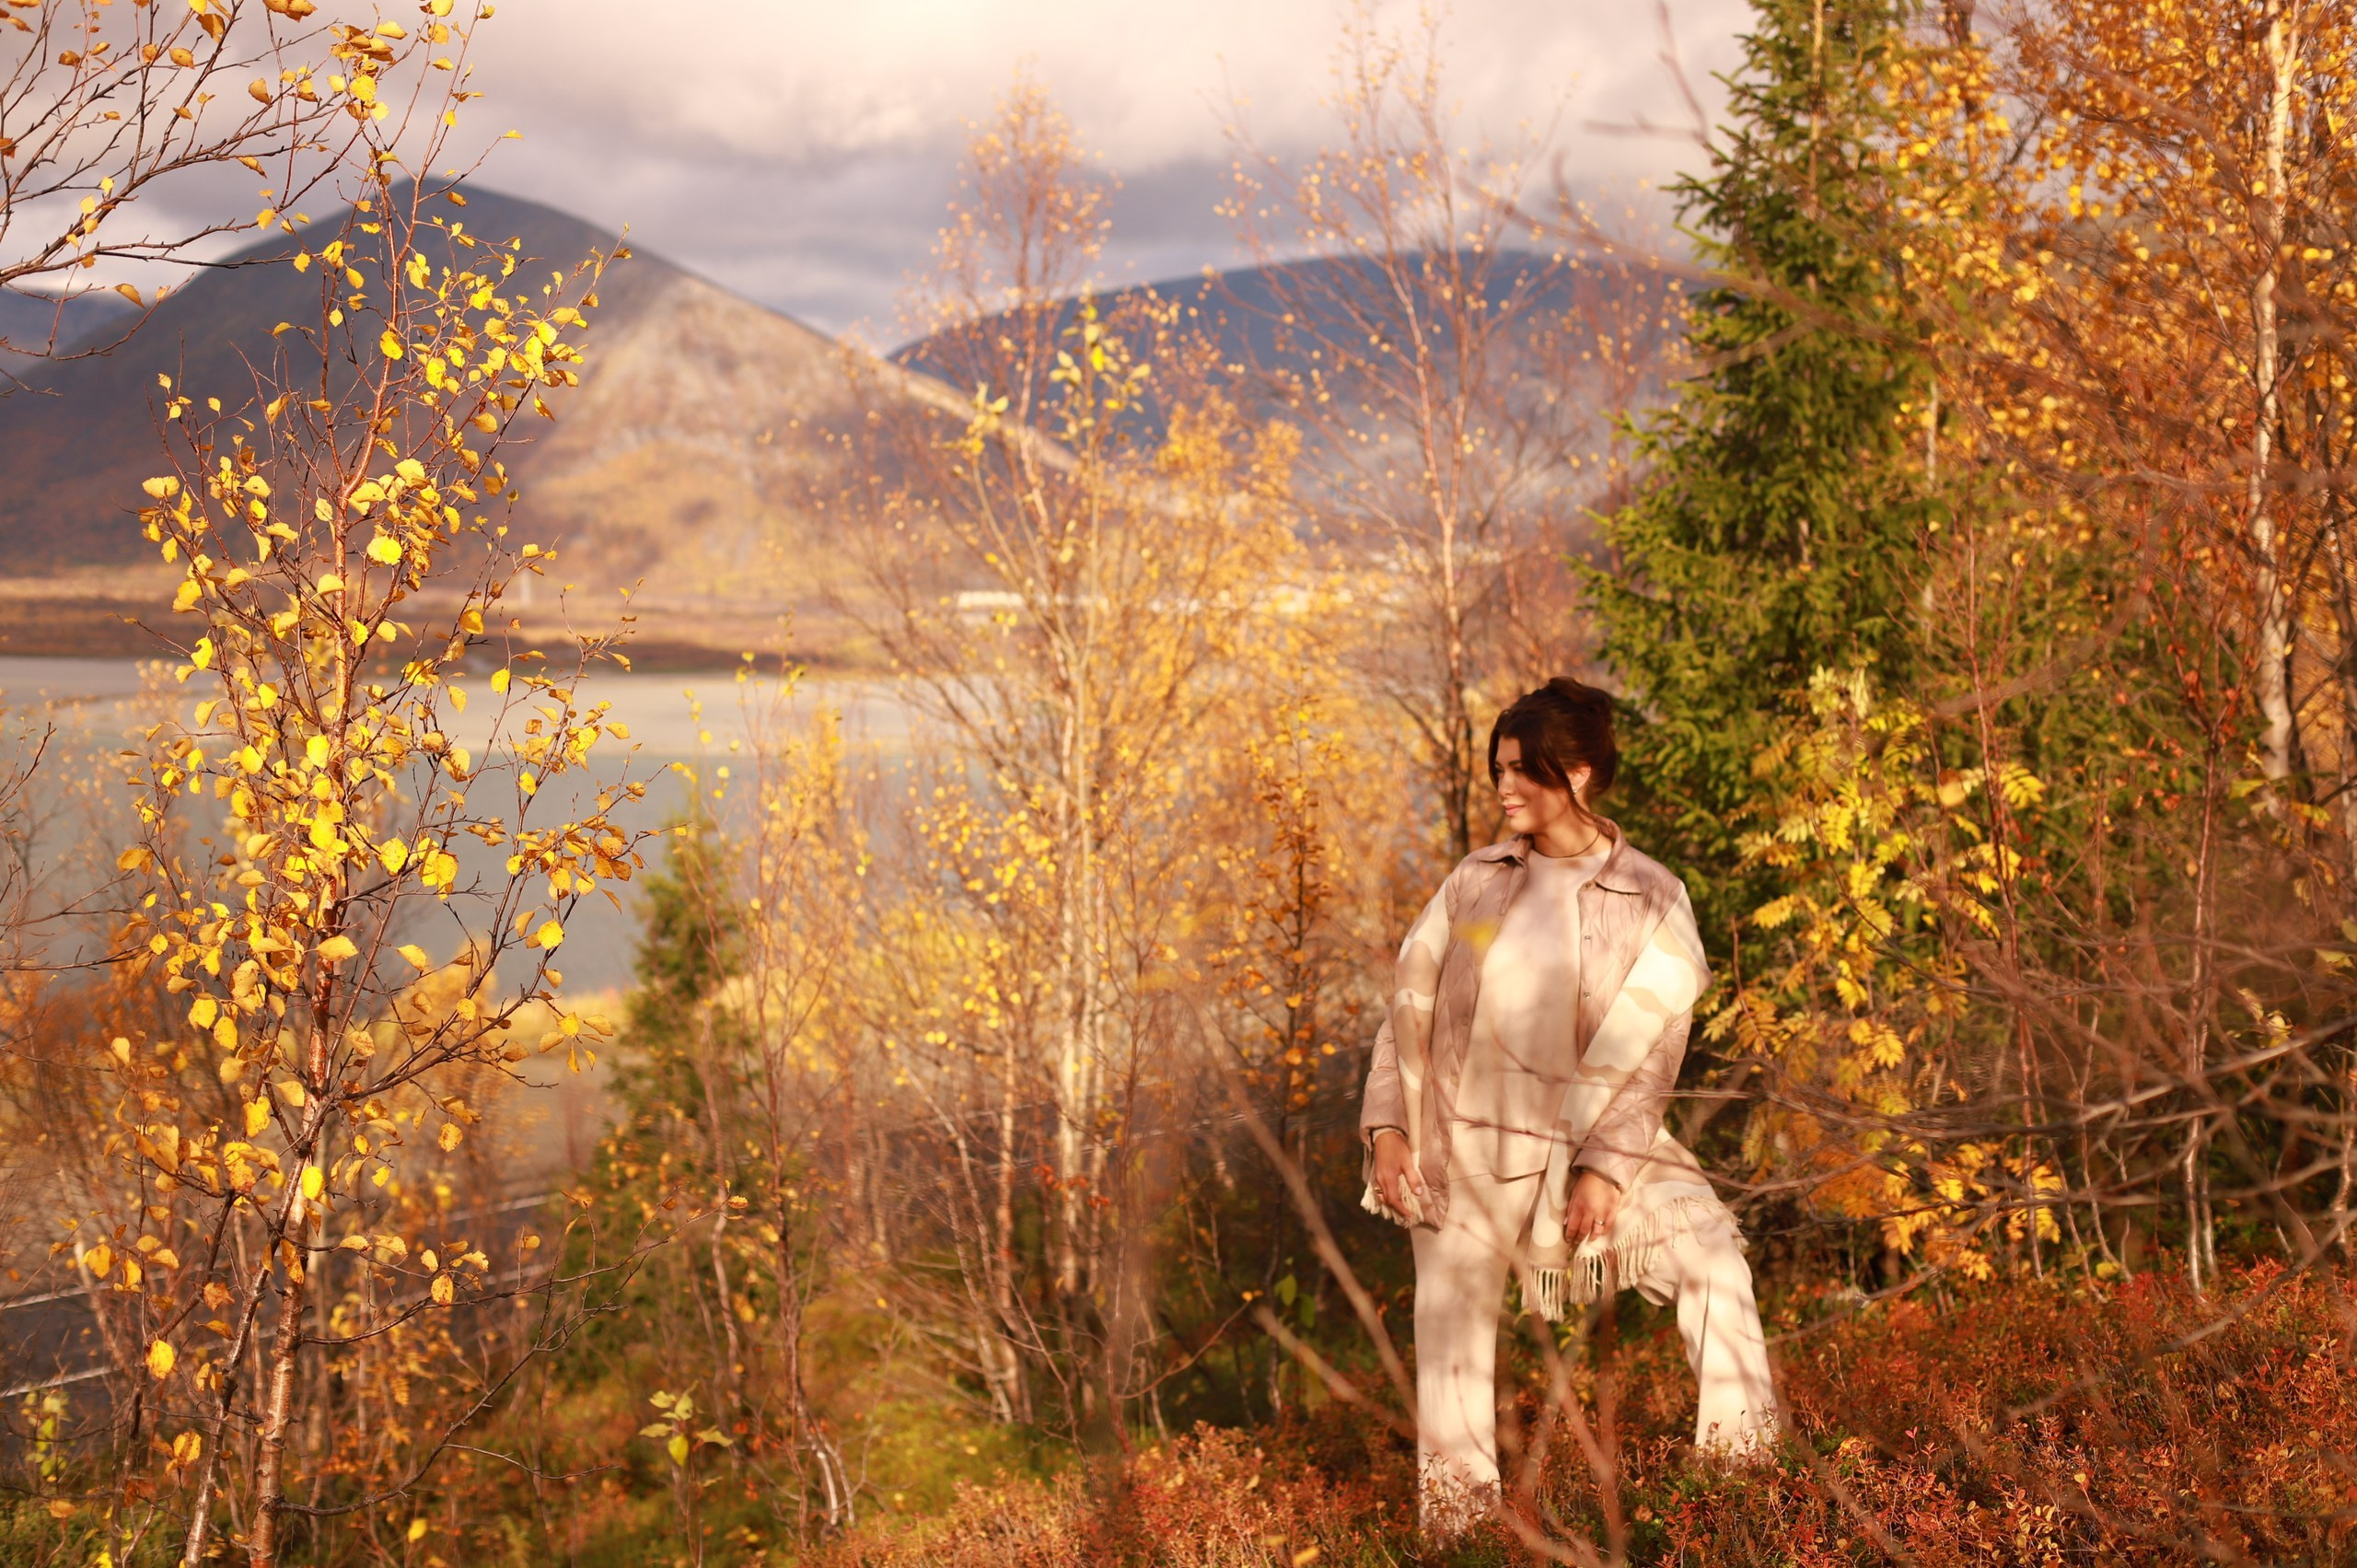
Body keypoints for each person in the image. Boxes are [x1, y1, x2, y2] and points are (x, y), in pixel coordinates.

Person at [1360, 676, 1780, 1531]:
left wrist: (1602, 1167)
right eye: (1500, 769)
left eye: (1523, 770)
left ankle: (1744, 1494)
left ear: (1579, 771)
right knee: (1451, 1347)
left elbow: (1657, 1054)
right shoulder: (1473, 882)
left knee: (1713, 1264)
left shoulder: (1652, 896)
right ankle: (1462, 1542)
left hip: (1596, 1148)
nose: (1505, 787)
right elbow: (1407, 1010)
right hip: (1464, 1152)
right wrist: (1388, 1127)